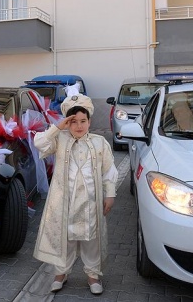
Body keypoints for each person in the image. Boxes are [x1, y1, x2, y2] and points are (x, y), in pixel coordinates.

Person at [33, 94, 118, 295]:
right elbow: (39, 143)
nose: (78, 126)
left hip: (90, 200)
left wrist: (110, 194)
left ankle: (93, 275)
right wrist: (58, 126)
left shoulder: (99, 143)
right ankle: (61, 273)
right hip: (65, 201)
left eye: (83, 121)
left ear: (89, 122)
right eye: (73, 122)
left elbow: (109, 170)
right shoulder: (59, 139)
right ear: (67, 123)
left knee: (91, 238)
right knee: (66, 237)